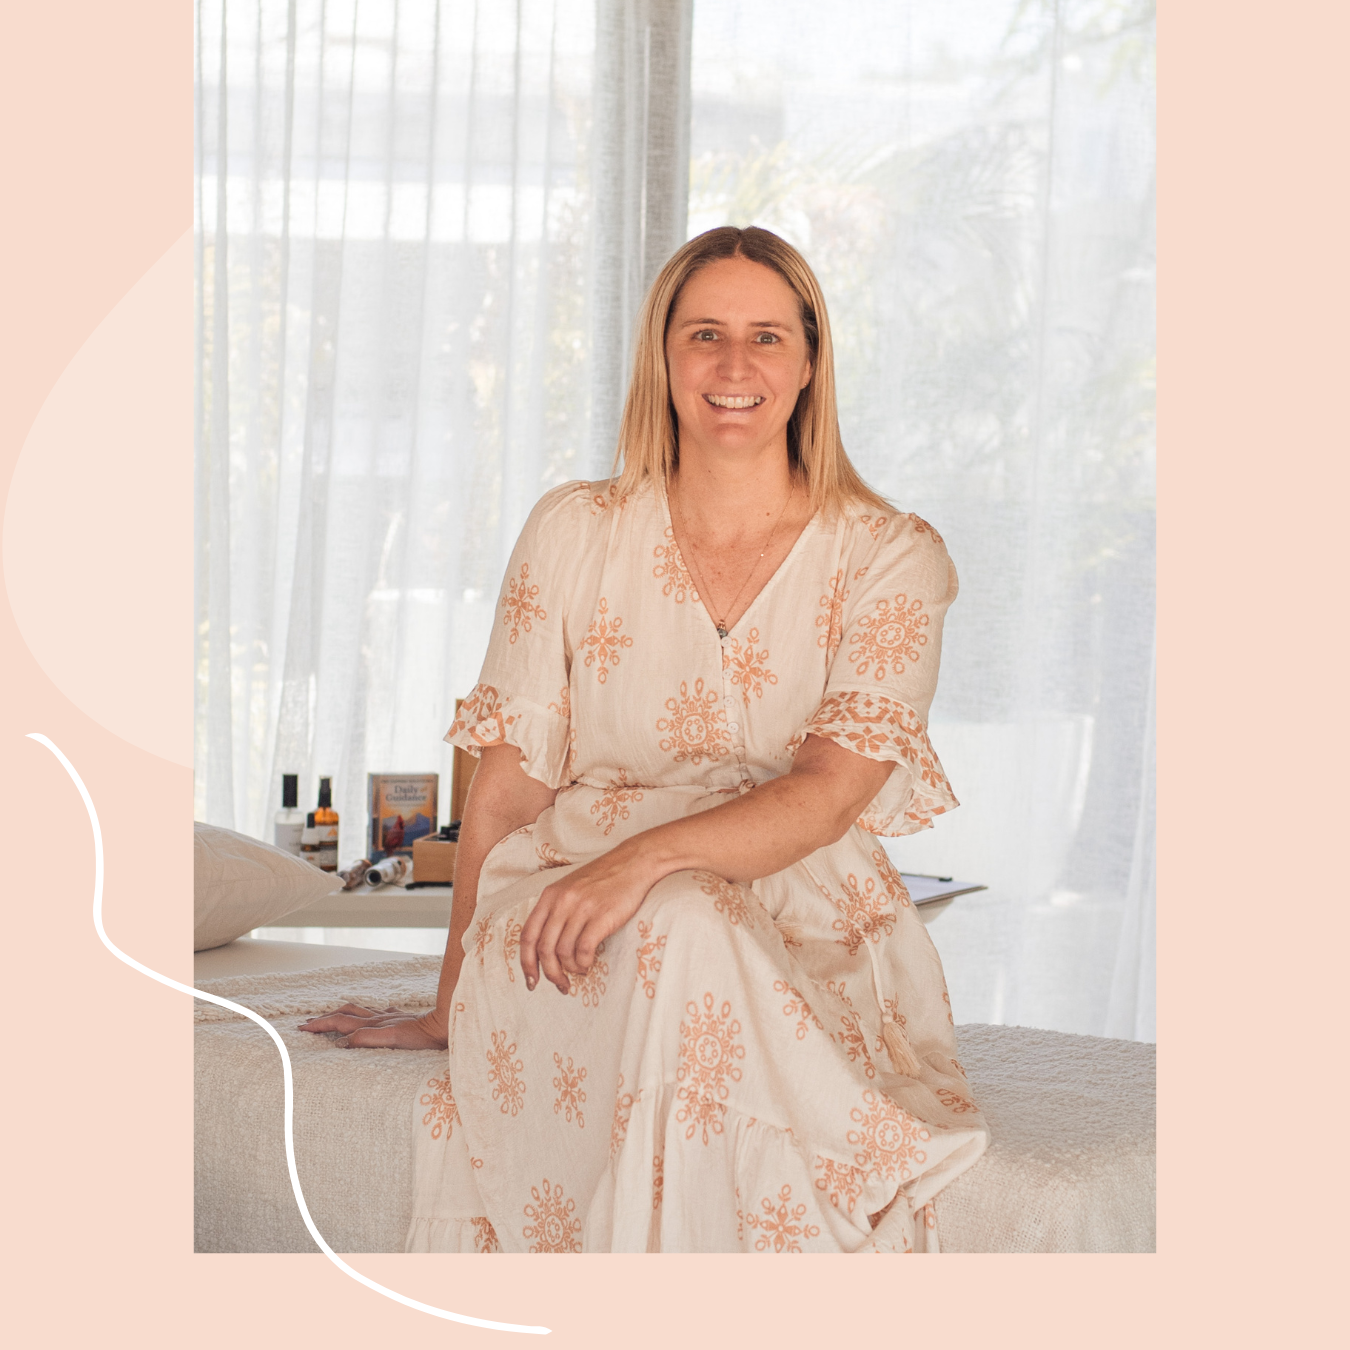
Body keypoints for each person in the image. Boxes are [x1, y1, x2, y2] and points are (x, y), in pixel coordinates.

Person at [300, 226, 988, 1253]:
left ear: (809, 364)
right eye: (704, 333)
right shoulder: (574, 531)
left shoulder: (892, 557)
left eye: (767, 337)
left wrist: (645, 866)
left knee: (685, 917)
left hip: (797, 924)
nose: (733, 366)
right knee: (675, 921)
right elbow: (505, 795)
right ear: (663, 357)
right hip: (563, 910)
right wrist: (456, 1001)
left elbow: (832, 794)